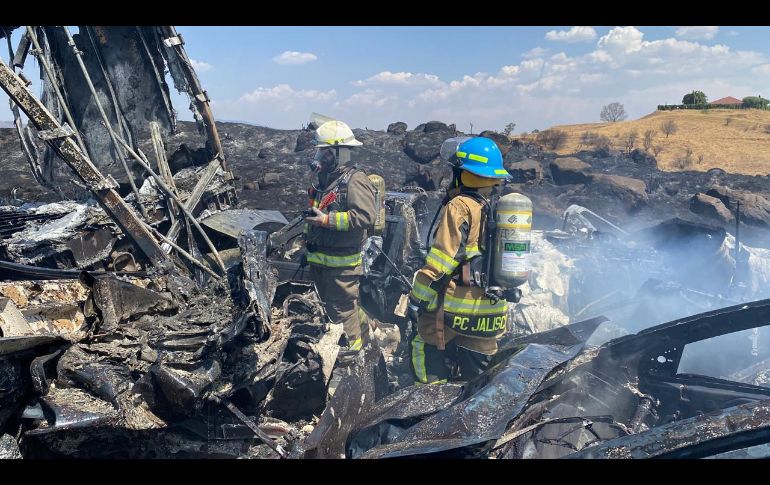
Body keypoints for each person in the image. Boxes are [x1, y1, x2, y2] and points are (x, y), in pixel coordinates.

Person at [408, 136, 512, 383]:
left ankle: (428, 408)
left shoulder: (460, 206)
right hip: (493, 310)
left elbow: (442, 263)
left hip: (458, 307)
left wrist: (417, 300)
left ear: (464, 173)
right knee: (480, 378)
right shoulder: (500, 207)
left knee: (422, 344)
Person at [303, 117, 377, 350]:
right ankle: (368, 336)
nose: (320, 158)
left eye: (324, 153)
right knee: (332, 308)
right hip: (320, 261)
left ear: (340, 152)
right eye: (320, 153)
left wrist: (328, 220)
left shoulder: (355, 180)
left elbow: (366, 217)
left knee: (341, 313)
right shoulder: (326, 180)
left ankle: (351, 357)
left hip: (342, 265)